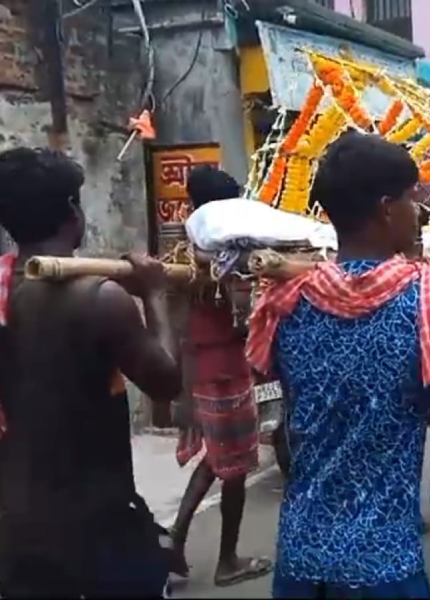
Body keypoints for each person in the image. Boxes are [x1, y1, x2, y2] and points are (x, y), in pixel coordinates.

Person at [245, 132, 430, 599]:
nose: (416, 212)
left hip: (301, 561)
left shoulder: (285, 301)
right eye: (410, 200)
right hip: (384, 566)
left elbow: (287, 430)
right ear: (387, 208)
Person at [0, 148, 181, 596]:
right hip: (98, 527)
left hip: (17, 527)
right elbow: (166, 383)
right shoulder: (98, 299)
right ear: (72, 212)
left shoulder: (6, 290)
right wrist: (155, 296)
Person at [168, 166, 273, 586]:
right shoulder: (224, 255)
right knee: (232, 468)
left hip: (202, 364)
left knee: (218, 460)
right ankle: (227, 561)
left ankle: (176, 540)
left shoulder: (187, 250)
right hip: (225, 368)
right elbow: (240, 318)